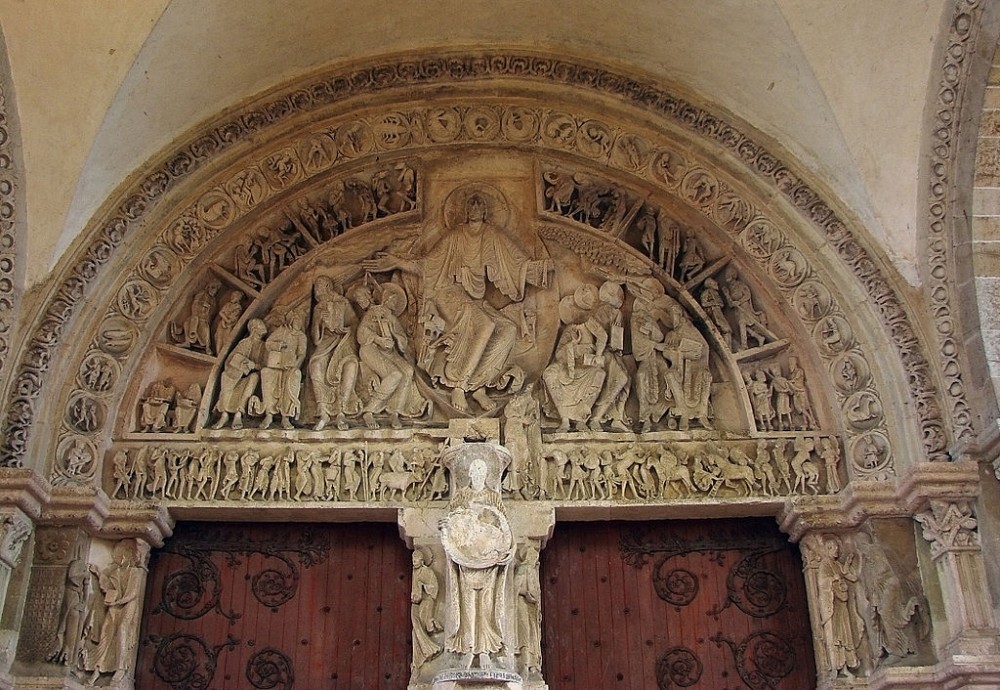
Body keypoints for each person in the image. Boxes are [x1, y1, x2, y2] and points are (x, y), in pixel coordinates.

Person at [364, 185, 551, 412]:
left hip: (475, 301)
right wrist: (396, 261)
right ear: (464, 210)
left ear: (485, 211)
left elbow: (516, 263)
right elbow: (429, 265)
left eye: (479, 204)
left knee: (508, 330)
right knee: (485, 324)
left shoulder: (492, 236)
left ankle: (479, 385)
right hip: (448, 293)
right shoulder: (455, 236)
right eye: (470, 204)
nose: (474, 208)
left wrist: (539, 269)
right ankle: (460, 387)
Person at [83, 541, 146, 684]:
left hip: (127, 606)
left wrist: (118, 602)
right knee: (106, 634)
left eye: (128, 554)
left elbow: (133, 593)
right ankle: (96, 669)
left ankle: (121, 668)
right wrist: (98, 572)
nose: (124, 557)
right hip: (113, 607)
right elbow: (107, 587)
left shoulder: (135, 572)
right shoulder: (116, 572)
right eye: (122, 554)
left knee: (122, 632)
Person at [307, 277, 360, 431]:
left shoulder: (343, 304)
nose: (316, 289)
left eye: (319, 286)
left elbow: (355, 324)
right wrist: (318, 322)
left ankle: (341, 411)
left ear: (328, 286)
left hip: (343, 343)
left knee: (350, 365)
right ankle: (323, 411)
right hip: (325, 344)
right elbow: (315, 339)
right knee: (315, 365)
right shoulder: (318, 308)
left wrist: (345, 330)